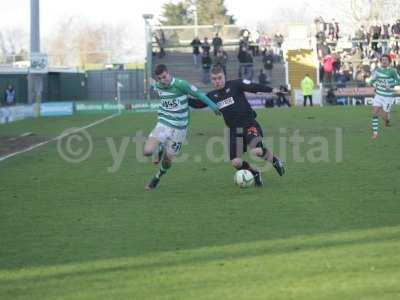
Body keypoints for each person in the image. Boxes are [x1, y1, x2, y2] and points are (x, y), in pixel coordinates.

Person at [189, 65, 285, 187]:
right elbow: (197, 104)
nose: (217, 81)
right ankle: (254, 173)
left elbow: (253, 87)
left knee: (257, 151)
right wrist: (182, 98)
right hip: (234, 131)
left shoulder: (235, 84)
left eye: (219, 78)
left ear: (225, 76)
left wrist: (271, 90)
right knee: (236, 162)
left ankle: (275, 160)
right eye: (214, 79)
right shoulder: (212, 96)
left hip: (249, 124)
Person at [144, 64, 221, 190]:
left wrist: (213, 106)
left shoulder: (181, 85)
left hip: (179, 129)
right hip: (163, 123)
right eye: (160, 79)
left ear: (168, 73)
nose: (163, 80)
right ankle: (160, 148)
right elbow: (152, 83)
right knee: (147, 151)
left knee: (168, 161)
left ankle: (157, 177)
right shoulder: (158, 86)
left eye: (164, 77)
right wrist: (149, 79)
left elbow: (200, 95)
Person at [367, 54, 400, 139]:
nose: (384, 61)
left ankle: (387, 121)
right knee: (374, 113)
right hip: (378, 95)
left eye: (386, 60)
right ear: (381, 61)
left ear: (389, 61)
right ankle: (375, 133)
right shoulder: (377, 70)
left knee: (384, 116)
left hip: (388, 96)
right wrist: (370, 83)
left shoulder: (393, 71)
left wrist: (391, 85)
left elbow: (398, 81)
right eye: (382, 60)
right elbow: (372, 80)